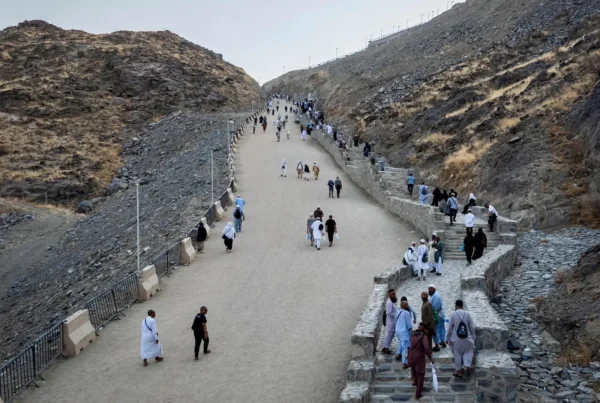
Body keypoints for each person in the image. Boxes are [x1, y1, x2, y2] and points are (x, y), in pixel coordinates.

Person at [446, 300, 475, 378]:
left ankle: (459, 372)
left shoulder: (453, 314)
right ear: (463, 305)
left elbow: (449, 328)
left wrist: (447, 338)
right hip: (467, 337)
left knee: (457, 354)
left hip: (456, 338)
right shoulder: (467, 314)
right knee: (468, 351)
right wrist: (473, 337)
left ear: (456, 306)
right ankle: (466, 366)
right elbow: (471, 327)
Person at [407, 323, 434, 400]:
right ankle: (418, 394)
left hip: (411, 355)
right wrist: (430, 358)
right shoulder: (423, 337)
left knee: (413, 369)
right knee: (421, 373)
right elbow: (426, 348)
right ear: (423, 329)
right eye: (426, 329)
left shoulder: (412, 335)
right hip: (419, 357)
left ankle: (414, 382)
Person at [428, 284, 447, 352]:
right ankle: (442, 341)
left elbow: (435, 308)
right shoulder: (435, 295)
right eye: (429, 289)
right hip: (441, 315)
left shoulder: (435, 296)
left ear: (434, 289)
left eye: (431, 289)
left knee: (435, 329)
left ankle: (436, 345)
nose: (429, 291)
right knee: (441, 328)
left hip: (437, 316)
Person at [394, 300, 413, 367]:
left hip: (397, 330)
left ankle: (398, 353)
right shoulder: (407, 313)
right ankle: (404, 363)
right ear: (405, 306)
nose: (408, 306)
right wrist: (410, 330)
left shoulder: (397, 312)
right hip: (404, 331)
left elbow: (395, 321)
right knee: (405, 346)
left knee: (402, 343)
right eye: (407, 304)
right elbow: (409, 324)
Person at [382, 289, 398, 355]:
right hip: (390, 322)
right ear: (389, 295)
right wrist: (396, 314)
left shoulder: (392, 301)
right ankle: (386, 348)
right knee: (389, 335)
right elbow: (388, 313)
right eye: (392, 294)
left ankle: (385, 347)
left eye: (394, 294)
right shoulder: (389, 303)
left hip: (392, 321)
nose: (394, 295)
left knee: (390, 335)